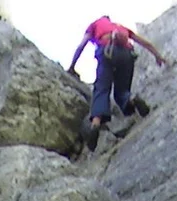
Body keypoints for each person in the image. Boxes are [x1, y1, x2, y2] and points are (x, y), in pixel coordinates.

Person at [67, 15, 168, 152]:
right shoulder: (120, 28)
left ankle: (95, 125)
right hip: (127, 54)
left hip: (107, 51)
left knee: (101, 89)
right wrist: (158, 56)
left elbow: (81, 46)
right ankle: (132, 99)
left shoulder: (95, 25)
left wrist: (72, 67)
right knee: (121, 92)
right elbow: (145, 43)